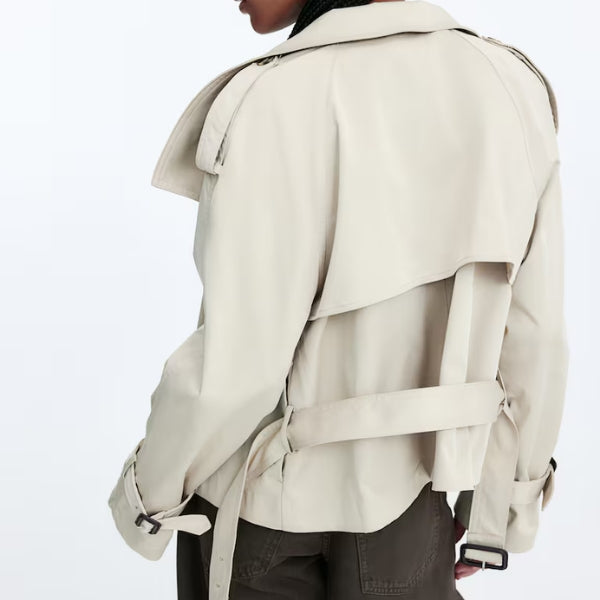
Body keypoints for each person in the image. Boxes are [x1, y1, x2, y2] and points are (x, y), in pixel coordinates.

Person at [108, 1, 568, 599]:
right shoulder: (506, 83)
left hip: (256, 510)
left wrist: (146, 496)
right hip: (412, 509)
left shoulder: (275, 96)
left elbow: (237, 364)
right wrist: (503, 504)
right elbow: (535, 336)